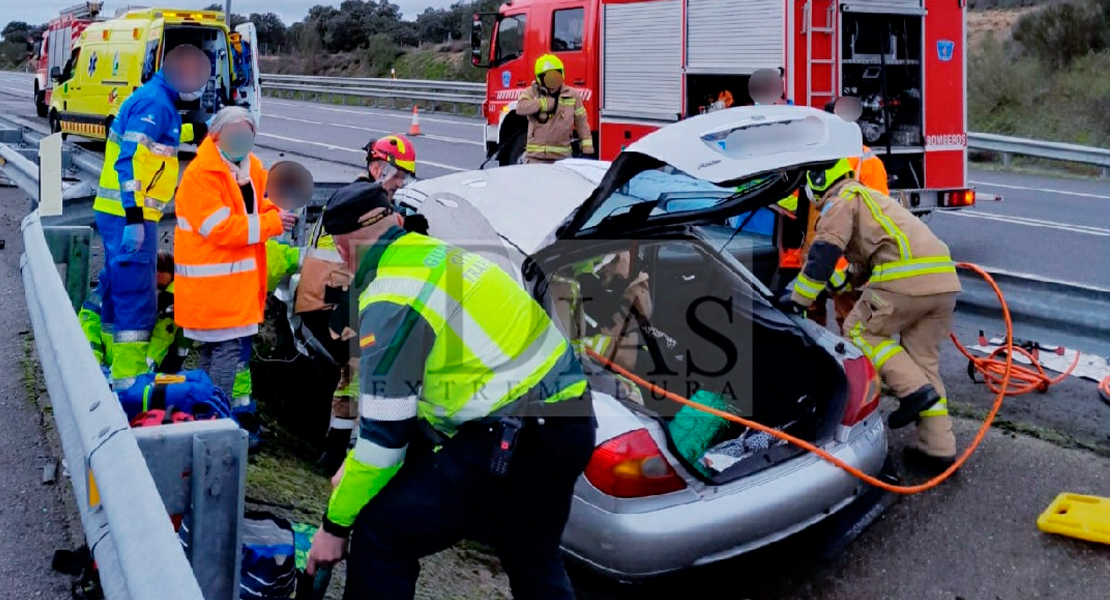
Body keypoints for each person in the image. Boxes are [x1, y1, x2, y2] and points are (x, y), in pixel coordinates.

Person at [304, 188, 597, 600]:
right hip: (570, 420)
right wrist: (356, 470)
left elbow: (384, 443)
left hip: (512, 440)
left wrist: (333, 527)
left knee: (381, 531)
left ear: (342, 247)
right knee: (533, 557)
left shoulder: (391, 298)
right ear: (398, 222)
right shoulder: (442, 255)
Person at [781, 158, 961, 471]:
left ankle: (914, 392)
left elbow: (823, 253)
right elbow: (864, 264)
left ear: (818, 180)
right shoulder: (869, 198)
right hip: (944, 282)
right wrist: (841, 281)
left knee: (858, 332)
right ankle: (938, 449)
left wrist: (798, 300)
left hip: (905, 280)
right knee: (923, 363)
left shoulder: (841, 200)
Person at [293, 134, 426, 474]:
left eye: (406, 176)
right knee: (357, 371)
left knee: (357, 370)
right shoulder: (362, 202)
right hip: (330, 299)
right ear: (378, 166)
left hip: (326, 297)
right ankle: (338, 455)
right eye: (398, 174)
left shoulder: (362, 197)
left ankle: (339, 451)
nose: (401, 182)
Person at [90, 43, 210, 391]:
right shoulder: (155, 103)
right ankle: (128, 381)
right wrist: (133, 216)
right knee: (137, 298)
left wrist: (197, 131)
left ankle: (113, 367)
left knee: (117, 291)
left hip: (123, 213)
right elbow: (129, 159)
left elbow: (157, 141)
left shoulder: (159, 102)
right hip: (130, 215)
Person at [173, 106, 297, 440]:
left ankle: (206, 417)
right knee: (223, 353)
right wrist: (272, 223)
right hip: (212, 288)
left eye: (248, 135)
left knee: (216, 353)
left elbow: (265, 201)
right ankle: (216, 423)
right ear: (216, 135)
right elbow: (221, 229)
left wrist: (275, 213)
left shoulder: (251, 167)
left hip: (237, 287)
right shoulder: (202, 175)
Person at [79, 251, 189, 372]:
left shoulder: (169, 308)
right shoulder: (114, 286)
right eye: (150, 284)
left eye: (161, 287)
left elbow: (160, 341)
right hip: (104, 365)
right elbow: (89, 320)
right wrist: (93, 364)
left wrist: (143, 372)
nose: (154, 292)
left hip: (143, 372)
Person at [516, 54, 594, 164]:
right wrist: (542, 104)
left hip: (562, 159)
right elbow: (520, 108)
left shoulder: (572, 95)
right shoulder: (532, 92)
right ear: (540, 78)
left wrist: (587, 150)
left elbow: (582, 123)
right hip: (535, 158)